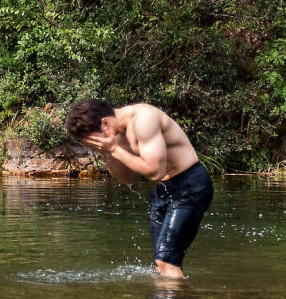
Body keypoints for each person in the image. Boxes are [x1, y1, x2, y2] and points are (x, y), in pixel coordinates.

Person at [66, 99, 213, 278]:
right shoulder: (117, 136)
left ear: (104, 123)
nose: (96, 145)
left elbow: (155, 172)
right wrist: (108, 151)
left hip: (190, 185)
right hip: (165, 190)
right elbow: (126, 178)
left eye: (95, 141)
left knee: (167, 262)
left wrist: (115, 150)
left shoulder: (144, 119)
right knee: (161, 264)